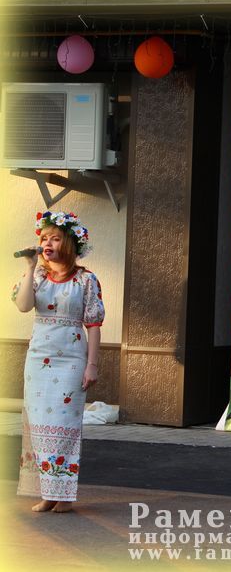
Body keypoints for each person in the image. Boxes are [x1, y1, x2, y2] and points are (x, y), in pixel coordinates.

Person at [12, 211, 105, 513]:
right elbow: (24, 306)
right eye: (44, 238)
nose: (47, 243)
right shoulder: (38, 277)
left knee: (63, 426)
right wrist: (30, 267)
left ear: (69, 243)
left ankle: (64, 495)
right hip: (38, 361)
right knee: (40, 427)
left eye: (54, 238)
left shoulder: (86, 280)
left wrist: (92, 364)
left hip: (71, 361)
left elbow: (93, 325)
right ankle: (48, 494)